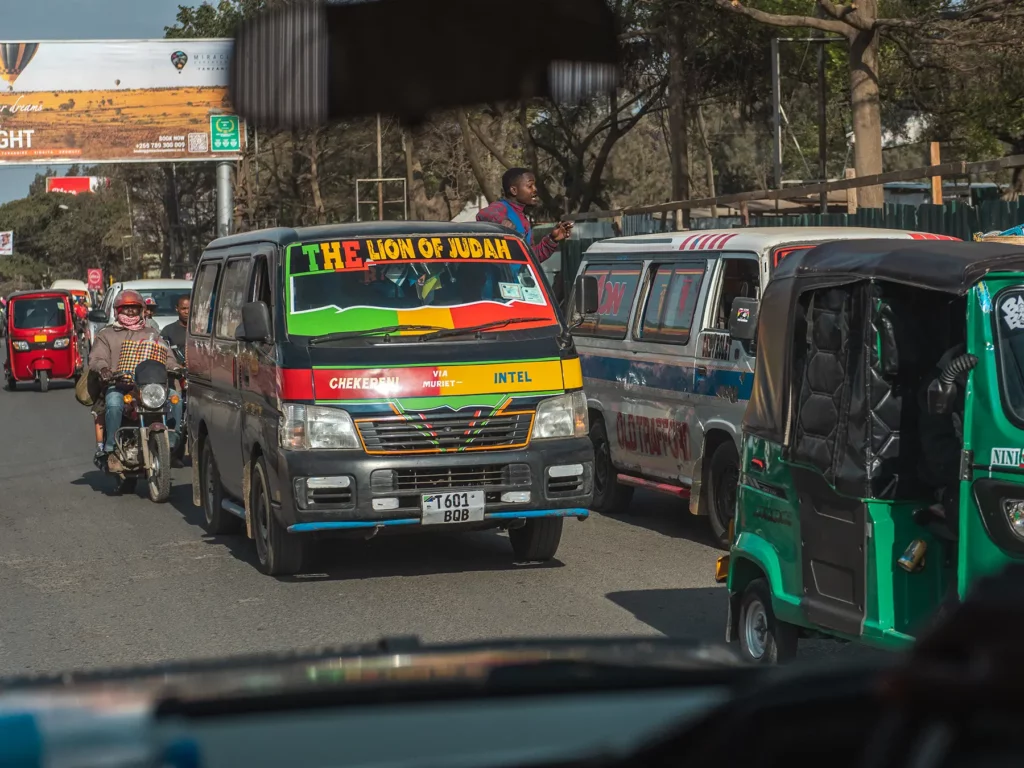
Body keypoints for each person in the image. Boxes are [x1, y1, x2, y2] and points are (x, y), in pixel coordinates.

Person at [89, 290, 179, 471]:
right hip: (119, 385)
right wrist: (104, 369)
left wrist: (174, 366)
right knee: (113, 403)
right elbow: (97, 358)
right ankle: (111, 449)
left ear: (142, 310)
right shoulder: (106, 334)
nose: (130, 312)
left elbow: (166, 355)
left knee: (175, 398)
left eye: (134, 308)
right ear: (117, 310)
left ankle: (172, 441)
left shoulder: (152, 332)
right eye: (126, 308)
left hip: (149, 387)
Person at [476, 168, 572, 263]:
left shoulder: (522, 217)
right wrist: (502, 221)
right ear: (514, 190)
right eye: (530, 186)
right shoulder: (502, 207)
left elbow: (531, 257)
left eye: (534, 185)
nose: (535, 189)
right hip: (498, 278)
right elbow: (484, 213)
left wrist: (552, 239)